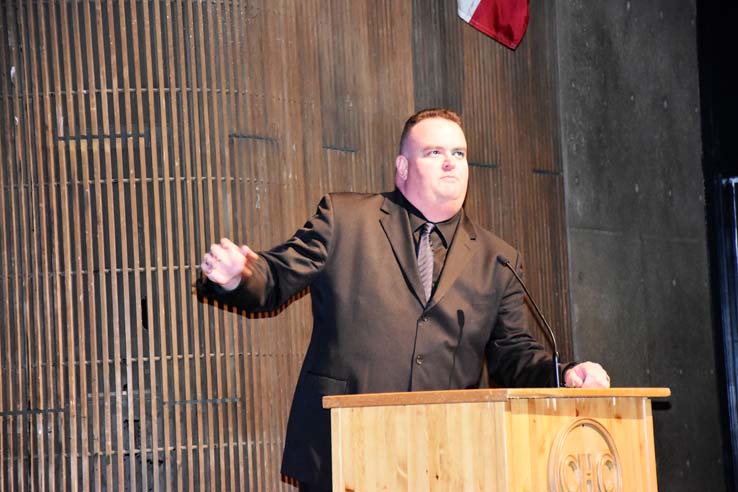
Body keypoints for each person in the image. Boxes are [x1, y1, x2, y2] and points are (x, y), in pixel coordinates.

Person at [198, 108, 610, 491]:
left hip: (448, 458)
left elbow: (513, 354)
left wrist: (566, 373)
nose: (451, 162)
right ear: (402, 168)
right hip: (345, 449)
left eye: (459, 153)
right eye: (434, 152)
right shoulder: (345, 220)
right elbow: (275, 277)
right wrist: (241, 276)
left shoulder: (497, 258)